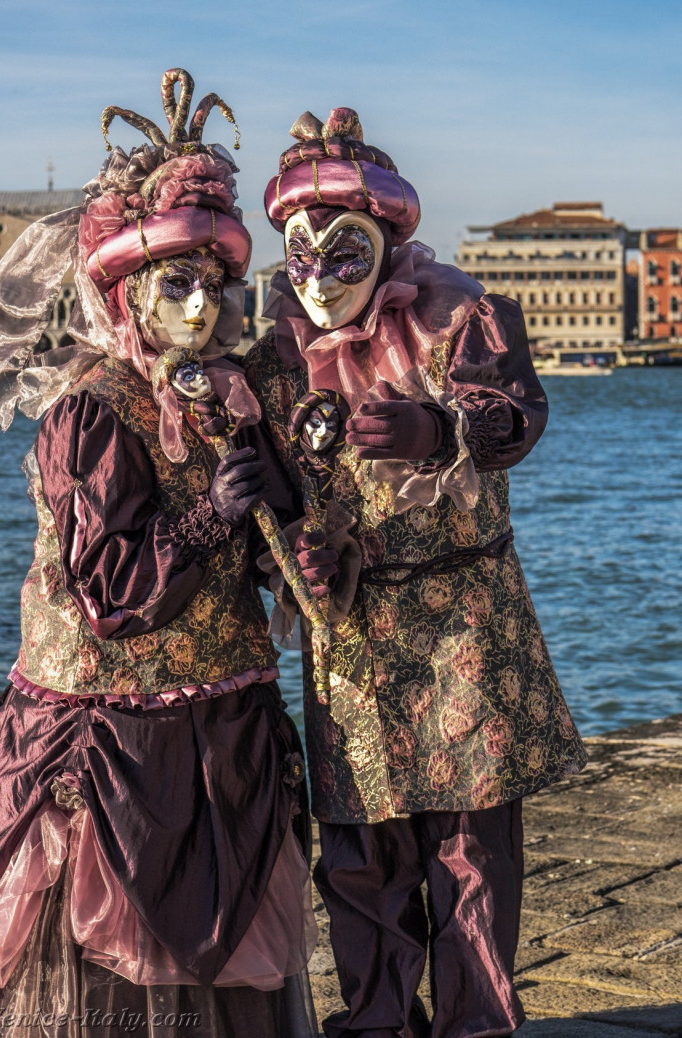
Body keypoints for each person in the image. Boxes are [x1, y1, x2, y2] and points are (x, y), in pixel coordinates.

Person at [0, 69, 317, 1038]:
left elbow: (273, 562)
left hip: (215, 720)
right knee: (111, 968)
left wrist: (280, 512)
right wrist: (211, 517)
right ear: (126, 295)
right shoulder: (89, 414)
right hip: (108, 733)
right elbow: (108, 589)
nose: (197, 309)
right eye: (173, 286)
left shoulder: (225, 399)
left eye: (212, 287)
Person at [244, 107, 588, 1038]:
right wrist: (295, 546)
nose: (317, 279)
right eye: (300, 253)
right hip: (351, 637)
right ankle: (379, 1023)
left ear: (387, 240)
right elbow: (278, 490)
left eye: (343, 252)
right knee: (362, 850)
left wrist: (439, 428)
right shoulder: (275, 356)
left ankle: (476, 1023)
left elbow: (515, 412)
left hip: (462, 626)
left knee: (471, 846)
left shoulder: (460, 315)